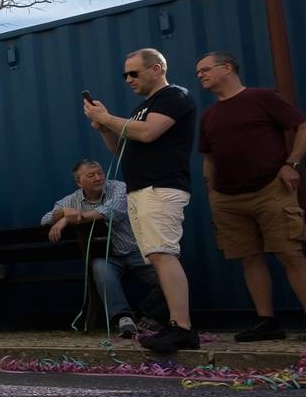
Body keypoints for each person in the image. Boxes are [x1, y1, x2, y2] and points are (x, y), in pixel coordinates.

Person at [84, 48, 199, 352]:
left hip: (160, 187)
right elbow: (121, 150)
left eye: (134, 73)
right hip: (140, 189)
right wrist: (105, 127)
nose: (128, 79)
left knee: (163, 253)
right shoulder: (141, 108)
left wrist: (108, 117)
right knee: (156, 256)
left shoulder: (175, 96)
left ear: (158, 68)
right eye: (125, 74)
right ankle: (174, 324)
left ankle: (182, 327)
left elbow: (148, 133)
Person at [195, 51, 306, 342]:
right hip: (228, 200)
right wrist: (212, 192)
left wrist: (291, 164)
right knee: (249, 259)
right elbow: (208, 156)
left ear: (227, 68)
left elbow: (302, 126)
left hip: (271, 190)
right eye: (198, 72)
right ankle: (267, 322)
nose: (200, 75)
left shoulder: (263, 98)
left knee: (290, 254)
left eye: (205, 69)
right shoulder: (208, 116)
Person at [44, 159, 165, 338]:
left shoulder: (119, 188)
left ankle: (149, 313)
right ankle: (123, 319)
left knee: (169, 276)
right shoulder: (73, 199)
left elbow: (113, 211)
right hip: (108, 257)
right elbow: (45, 219)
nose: (98, 177)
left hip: (136, 251)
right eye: (91, 175)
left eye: (100, 173)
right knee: (100, 268)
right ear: (79, 182)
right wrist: (62, 214)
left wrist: (71, 218)